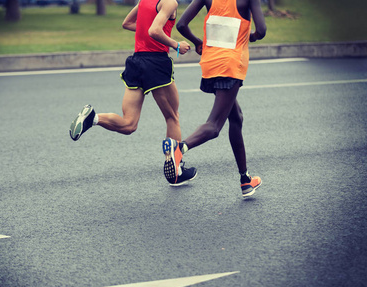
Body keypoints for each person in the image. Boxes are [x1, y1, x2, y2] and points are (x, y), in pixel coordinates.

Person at [69, 0, 197, 186]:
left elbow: (127, 23)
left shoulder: (145, 0)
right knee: (172, 117)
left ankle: (93, 118)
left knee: (129, 124)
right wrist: (176, 44)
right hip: (156, 63)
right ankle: (176, 170)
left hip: (136, 62)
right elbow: (154, 30)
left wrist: (153, 31)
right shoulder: (169, 2)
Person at [162, 0, 267, 197]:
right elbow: (261, 30)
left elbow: (181, 24)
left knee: (236, 117)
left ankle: (245, 180)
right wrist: (250, 37)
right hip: (231, 66)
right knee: (214, 125)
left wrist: (198, 42)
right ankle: (180, 148)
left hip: (210, 64)